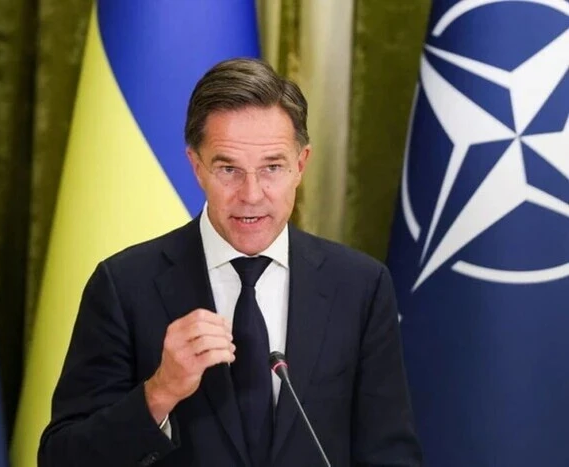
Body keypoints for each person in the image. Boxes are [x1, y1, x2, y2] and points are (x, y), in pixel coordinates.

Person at [38, 58, 422, 467]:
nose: (251, 194)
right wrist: (160, 391)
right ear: (196, 167)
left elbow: (391, 455)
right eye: (228, 169)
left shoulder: (360, 287)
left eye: (272, 167)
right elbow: (62, 458)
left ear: (301, 165)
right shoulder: (124, 286)